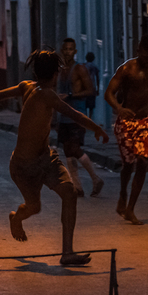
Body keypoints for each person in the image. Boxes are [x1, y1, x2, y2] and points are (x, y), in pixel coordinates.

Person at [0, 49, 109, 266]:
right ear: (54, 74)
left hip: (46, 158)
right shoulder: (47, 94)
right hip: (23, 166)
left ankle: (67, 253)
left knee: (69, 193)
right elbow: (74, 114)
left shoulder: (27, 86)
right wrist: (97, 129)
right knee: (34, 207)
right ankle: (16, 217)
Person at [104, 34, 148, 225]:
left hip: (145, 121)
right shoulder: (127, 69)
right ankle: (122, 194)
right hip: (126, 122)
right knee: (128, 165)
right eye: (144, 56)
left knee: (144, 161)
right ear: (138, 52)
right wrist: (119, 109)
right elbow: (108, 93)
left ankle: (130, 209)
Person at [57, 38, 104, 197]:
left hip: (77, 115)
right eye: (66, 49)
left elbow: (90, 90)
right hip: (64, 115)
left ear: (75, 52)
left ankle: (96, 179)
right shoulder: (61, 70)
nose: (68, 52)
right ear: (62, 51)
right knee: (67, 151)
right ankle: (77, 187)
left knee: (75, 148)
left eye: (71, 49)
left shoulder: (80, 69)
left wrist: (71, 95)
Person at [85, 51, 100, 120]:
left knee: (84, 104)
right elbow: (97, 78)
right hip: (92, 88)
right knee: (91, 106)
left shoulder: (84, 66)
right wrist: (98, 89)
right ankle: (90, 118)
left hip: (85, 88)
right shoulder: (95, 67)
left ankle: (84, 118)